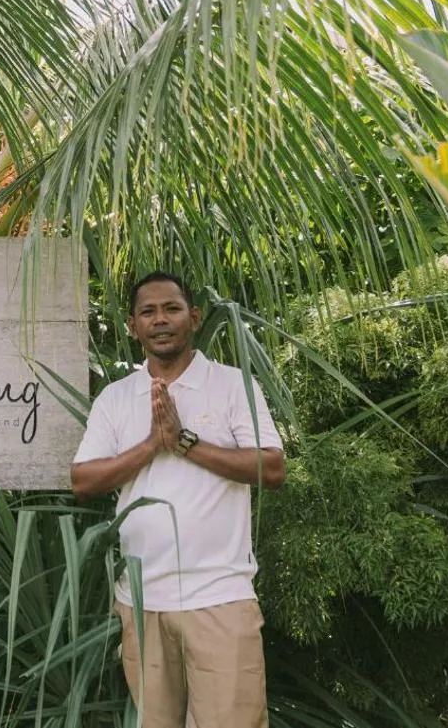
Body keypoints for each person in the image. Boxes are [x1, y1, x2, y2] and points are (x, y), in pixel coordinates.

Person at [71, 271, 286, 728]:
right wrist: (152, 445)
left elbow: (272, 468)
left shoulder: (230, 385)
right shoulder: (115, 398)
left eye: (171, 309)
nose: (160, 319)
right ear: (133, 326)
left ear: (193, 317)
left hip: (220, 598)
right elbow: (83, 480)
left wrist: (185, 442)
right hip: (142, 602)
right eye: (148, 312)